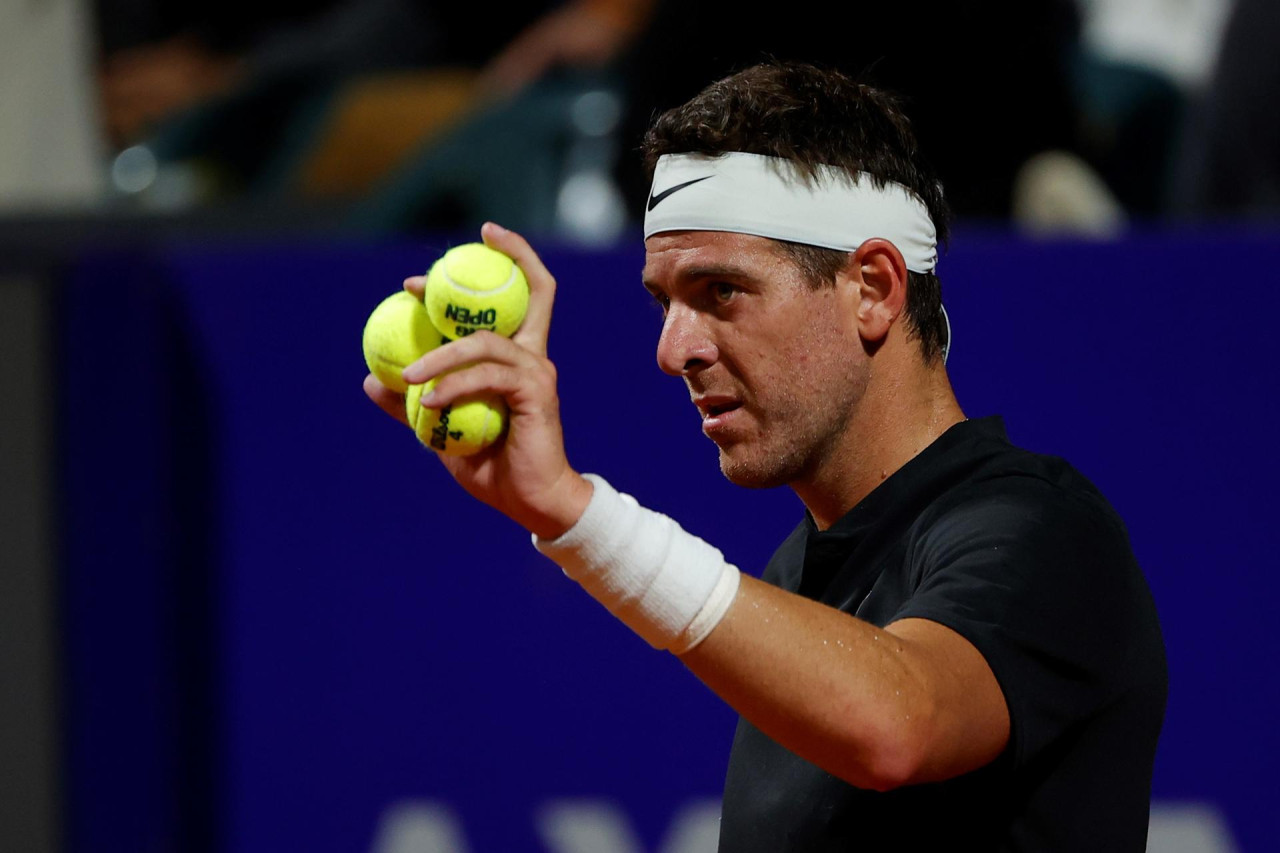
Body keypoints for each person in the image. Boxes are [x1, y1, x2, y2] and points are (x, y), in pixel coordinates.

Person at [364, 61, 1168, 850]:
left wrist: (576, 513)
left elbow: (898, 727)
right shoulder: (793, 579)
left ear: (875, 288)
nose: (673, 349)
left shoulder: (1047, 533)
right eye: (663, 301)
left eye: (722, 292)